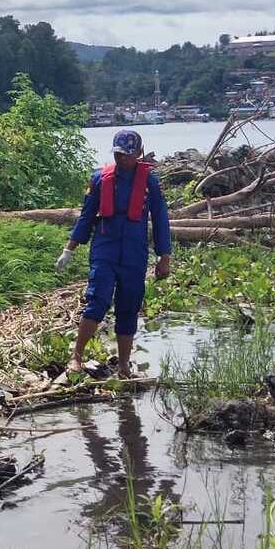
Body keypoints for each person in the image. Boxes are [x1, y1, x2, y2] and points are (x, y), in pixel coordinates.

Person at [56, 129, 171, 377]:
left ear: (139, 153)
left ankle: (123, 366)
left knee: (128, 306)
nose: (122, 160)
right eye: (118, 154)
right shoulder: (100, 179)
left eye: (128, 155)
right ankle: (76, 357)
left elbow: (160, 218)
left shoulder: (150, 181)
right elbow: (86, 217)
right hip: (105, 250)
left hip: (134, 253)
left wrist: (164, 256)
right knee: (97, 300)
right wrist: (69, 249)